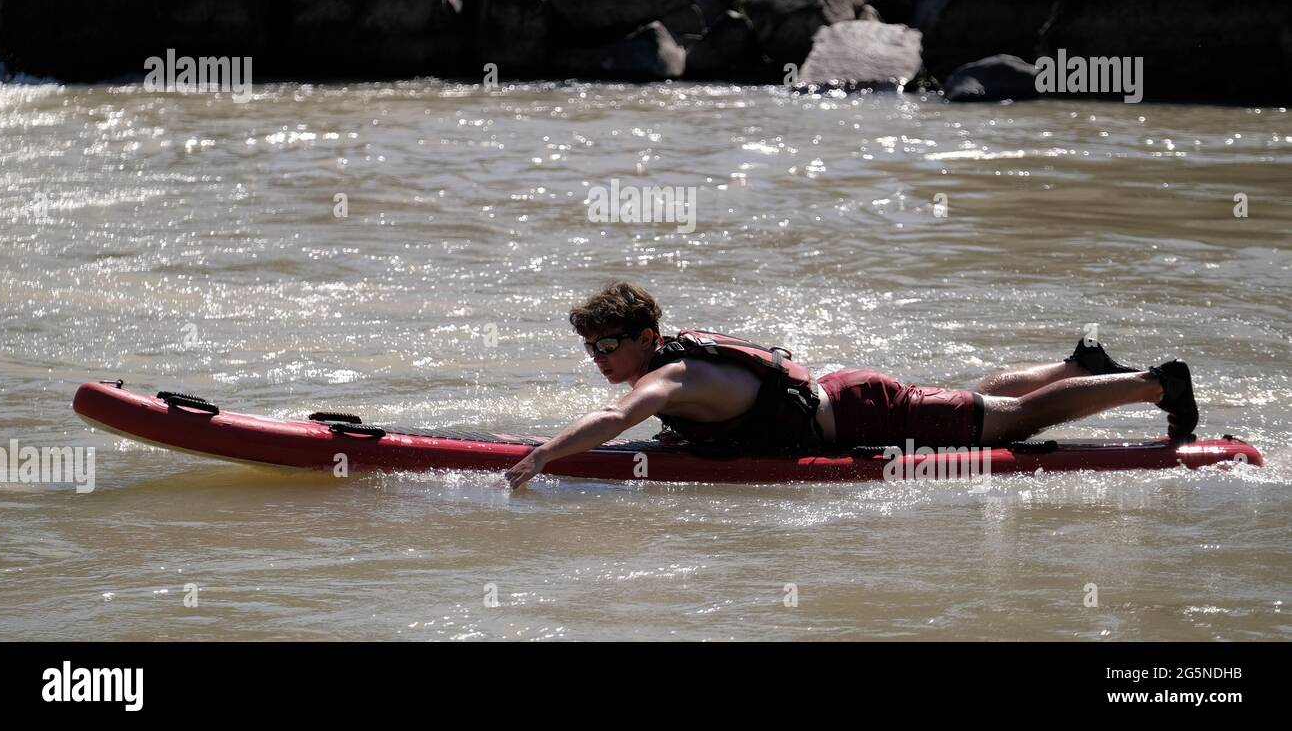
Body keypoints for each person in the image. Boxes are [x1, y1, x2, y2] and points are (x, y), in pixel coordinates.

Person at [504, 282, 1200, 490]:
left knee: (1011, 420)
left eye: (606, 345)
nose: (597, 357)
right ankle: (1080, 366)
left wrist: (542, 455)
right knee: (977, 399)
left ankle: (1153, 386)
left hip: (866, 413)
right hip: (849, 396)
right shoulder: (671, 357)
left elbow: (615, 417)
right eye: (588, 347)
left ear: (645, 339)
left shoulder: (673, 375)